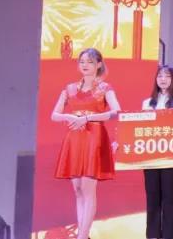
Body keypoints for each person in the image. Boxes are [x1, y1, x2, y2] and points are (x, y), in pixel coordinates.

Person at [52, 48, 122, 239]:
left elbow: (116, 111)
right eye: (82, 61)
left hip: (94, 137)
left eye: (90, 62)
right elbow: (54, 115)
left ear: (98, 64)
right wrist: (69, 116)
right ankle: (83, 234)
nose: (85, 65)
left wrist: (88, 118)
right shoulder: (70, 89)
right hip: (74, 139)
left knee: (88, 189)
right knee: (78, 190)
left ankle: (82, 235)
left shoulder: (105, 88)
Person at [142, 65, 173, 239]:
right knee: (152, 198)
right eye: (160, 76)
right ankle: (153, 235)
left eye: (167, 76)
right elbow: (139, 129)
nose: (163, 79)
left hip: (172, 156)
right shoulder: (147, 103)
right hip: (151, 156)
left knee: (169, 198)